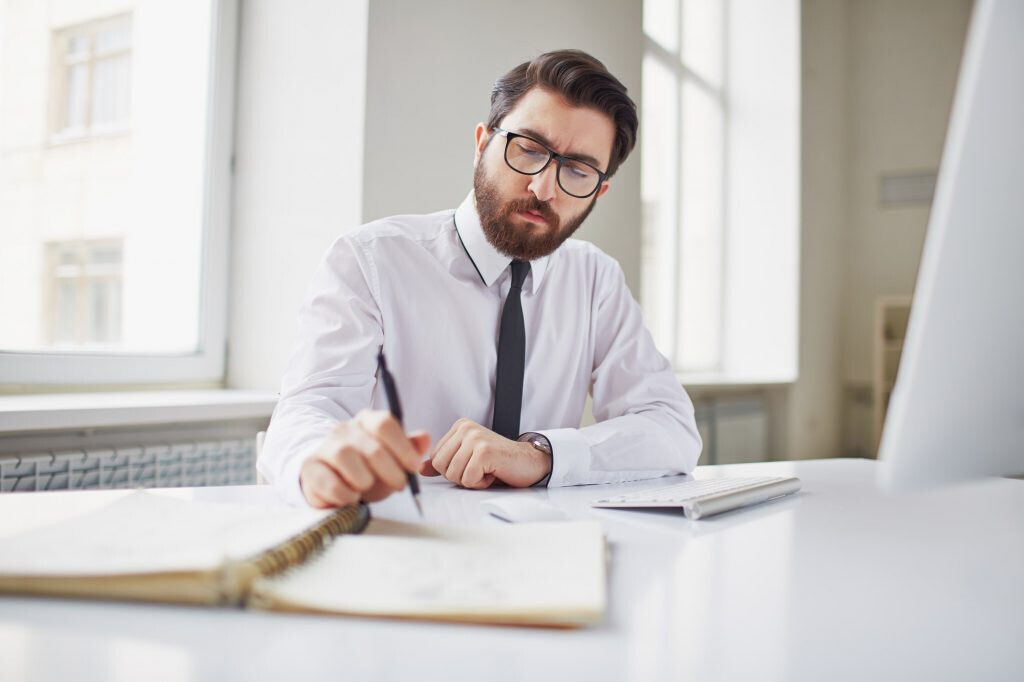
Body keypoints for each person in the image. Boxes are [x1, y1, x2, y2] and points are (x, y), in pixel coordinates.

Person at [259, 49, 702, 508]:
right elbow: (305, 413)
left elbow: (670, 428)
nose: (543, 188)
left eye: (577, 170)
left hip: (544, 550)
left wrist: (541, 455)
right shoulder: (370, 261)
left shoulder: (595, 280)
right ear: (481, 143)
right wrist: (322, 465)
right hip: (400, 539)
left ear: (599, 191)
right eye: (528, 148)